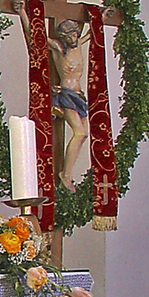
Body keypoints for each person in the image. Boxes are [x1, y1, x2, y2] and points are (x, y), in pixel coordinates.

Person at [48, 18, 90, 189]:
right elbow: (35, 36)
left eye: (75, 34)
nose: (74, 38)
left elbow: (93, 33)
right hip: (66, 95)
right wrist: (23, 14)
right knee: (79, 133)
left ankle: (67, 173)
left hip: (79, 95)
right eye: (70, 36)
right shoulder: (58, 48)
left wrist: (100, 17)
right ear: (63, 37)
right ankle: (65, 174)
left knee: (85, 134)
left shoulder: (79, 43)